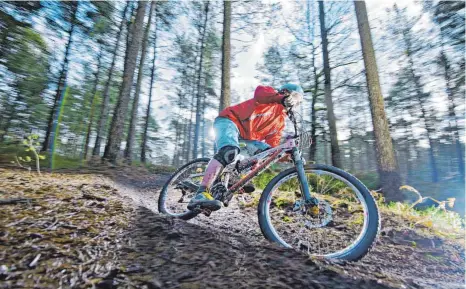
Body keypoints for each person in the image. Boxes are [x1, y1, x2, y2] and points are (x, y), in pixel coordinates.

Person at [187, 83, 304, 211]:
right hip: (230, 121)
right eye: (295, 98)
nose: (295, 104)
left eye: (299, 102)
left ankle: (231, 180)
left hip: (247, 139)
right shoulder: (270, 96)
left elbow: (272, 148)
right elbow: (260, 93)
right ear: (285, 92)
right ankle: (201, 194)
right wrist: (280, 98)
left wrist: (285, 157)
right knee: (229, 151)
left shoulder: (279, 123)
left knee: (264, 153)